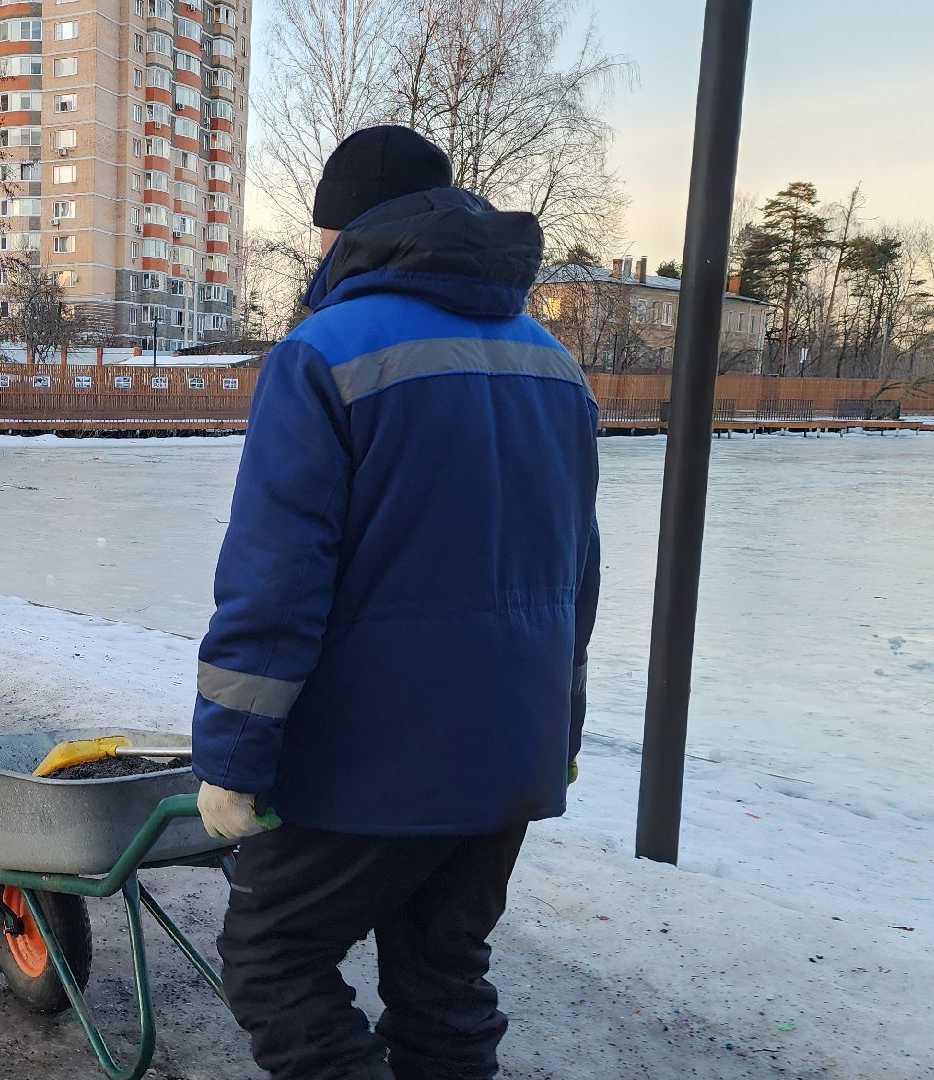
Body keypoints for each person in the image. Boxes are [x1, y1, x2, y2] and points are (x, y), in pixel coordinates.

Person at [190, 125, 601, 1080]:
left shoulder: (321, 353)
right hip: (510, 750)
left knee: (274, 955)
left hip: (375, 761)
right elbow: (575, 579)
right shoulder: (553, 364)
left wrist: (233, 760)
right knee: (443, 977)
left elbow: (275, 580)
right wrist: (560, 733)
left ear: (339, 234)